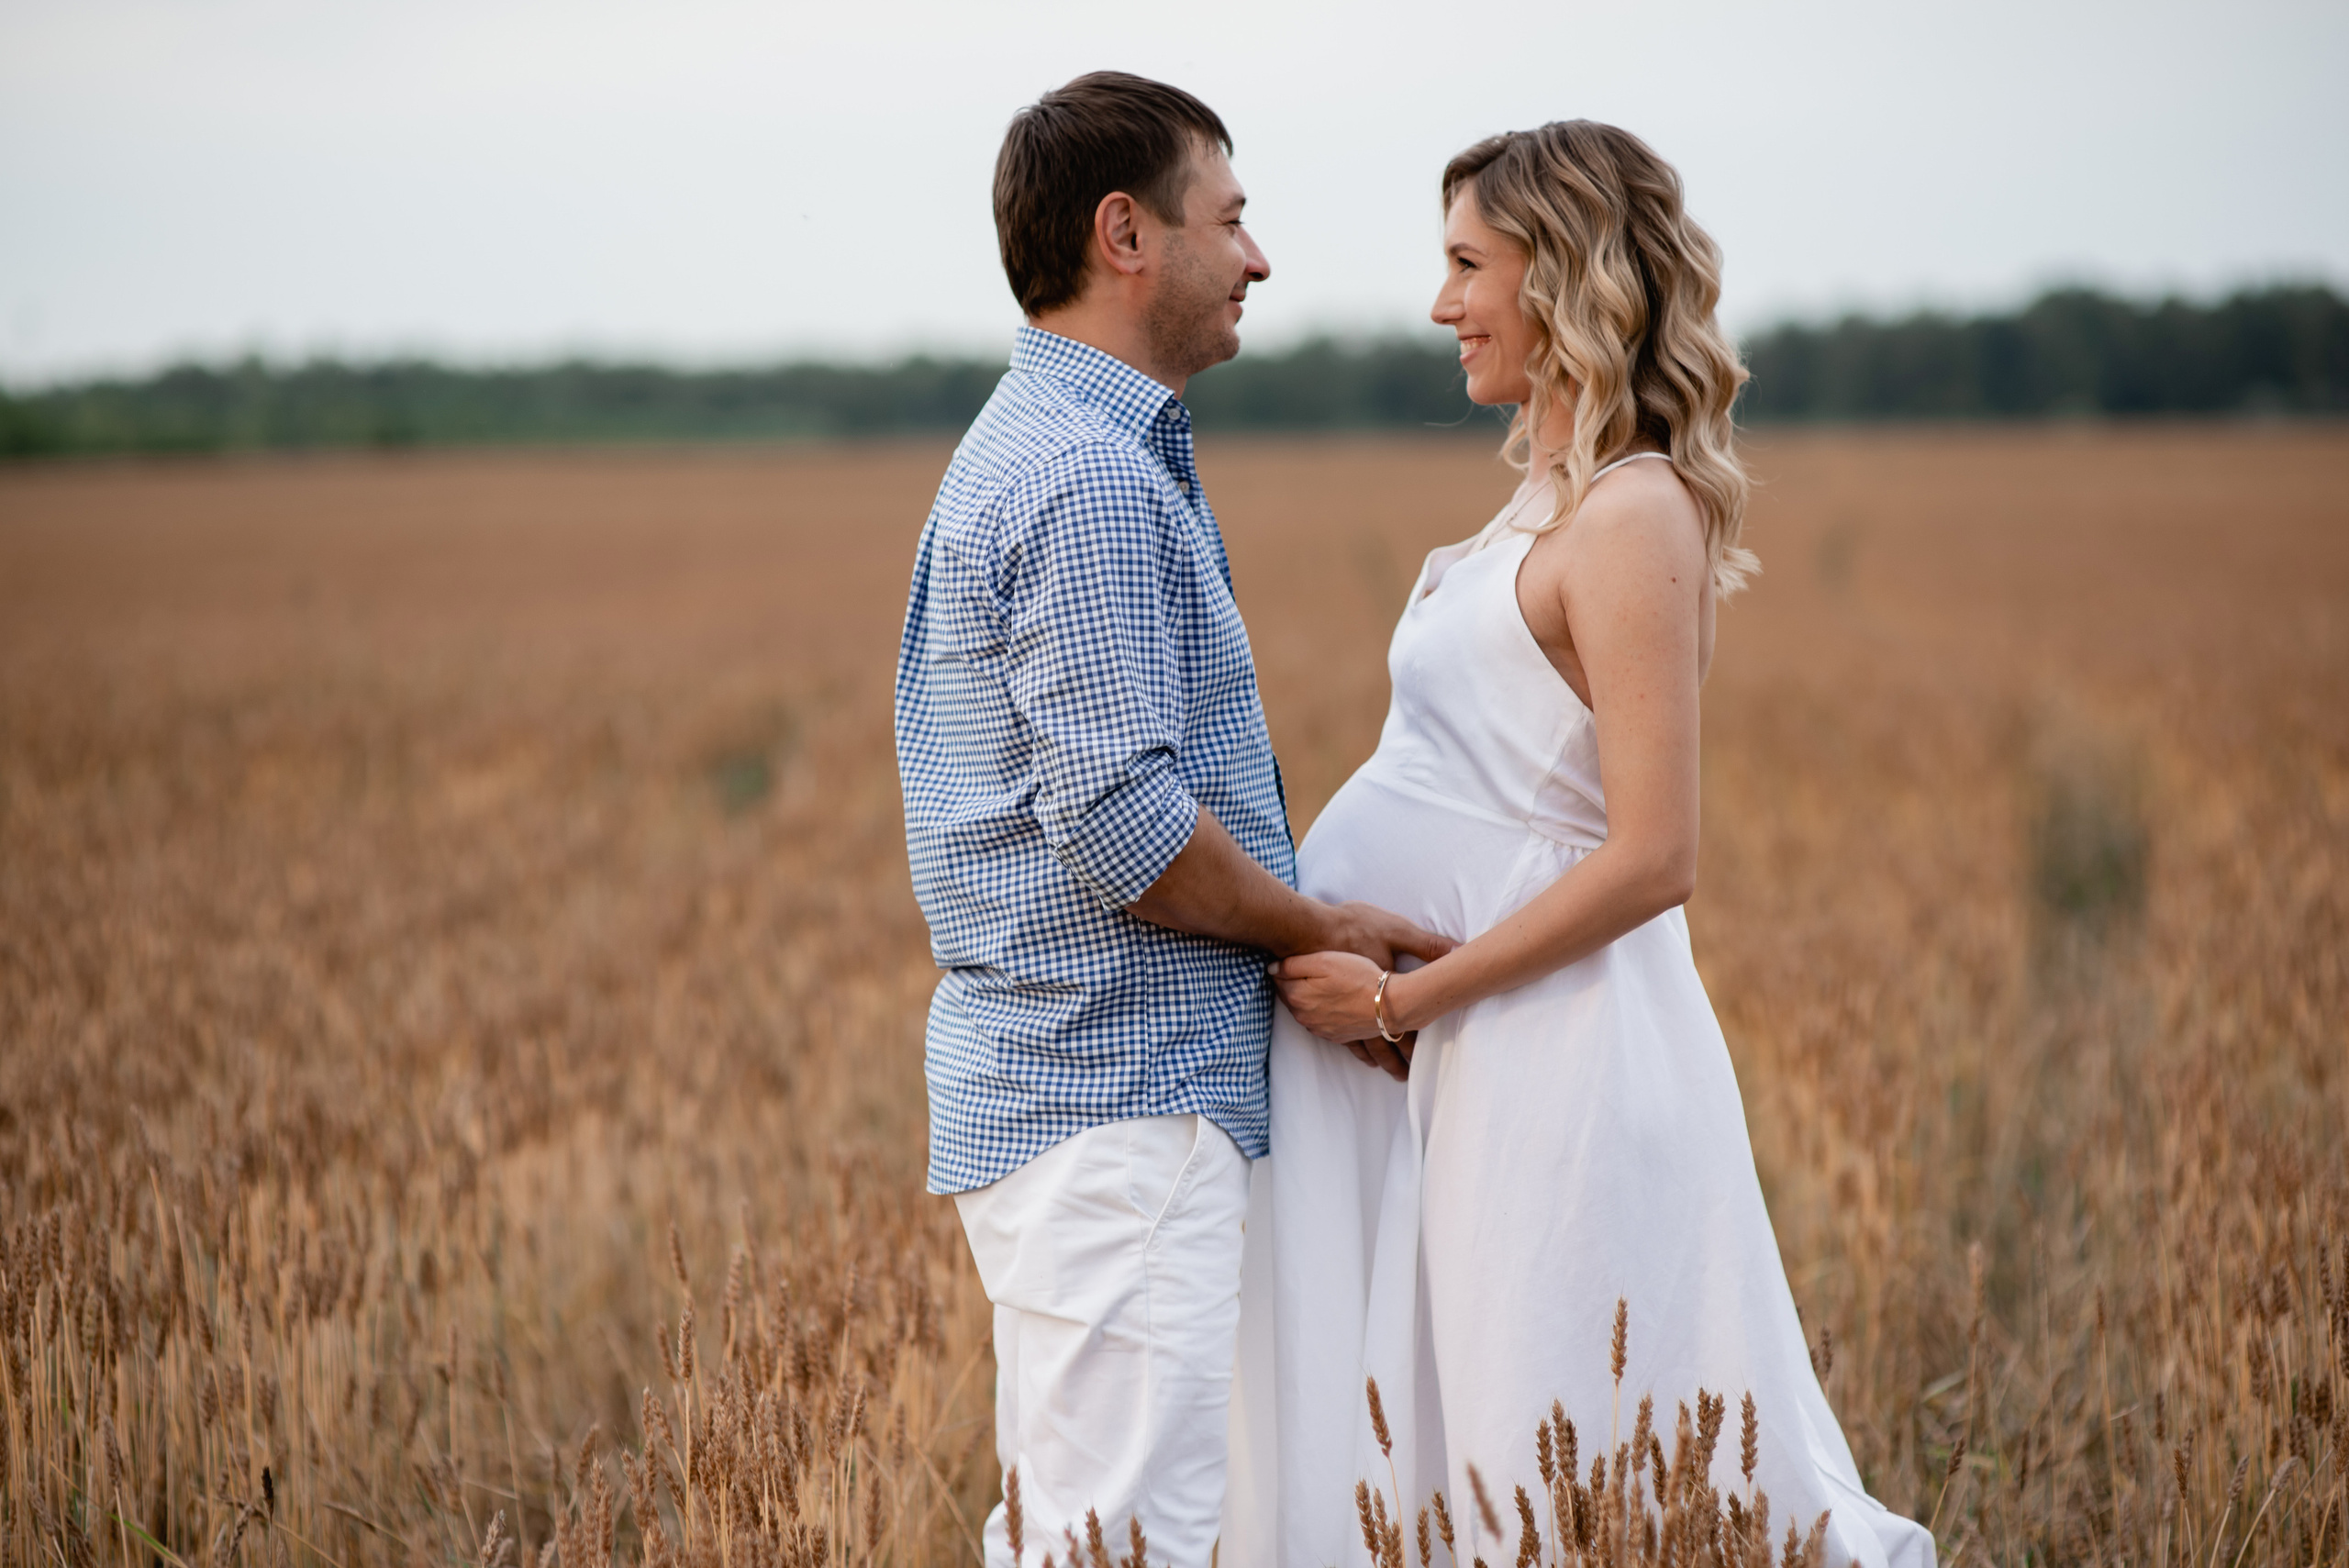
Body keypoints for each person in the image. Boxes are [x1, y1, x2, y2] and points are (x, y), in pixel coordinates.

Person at [1223, 121, 1936, 1568]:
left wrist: (1404, 998)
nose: (1443, 303)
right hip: (1458, 1047)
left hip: (1545, 1051)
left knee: (1554, 1448)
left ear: (1562, 274)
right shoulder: (1540, 504)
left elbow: (1655, 853)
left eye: (1467, 264)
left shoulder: (1633, 513)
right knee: (1456, 1453)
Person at [893, 72, 1451, 1568]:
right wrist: (1319, 929)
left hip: (1085, 1092)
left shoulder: (1058, 445)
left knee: (1093, 1530)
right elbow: (1125, 827)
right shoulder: (1084, 474)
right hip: (1116, 1098)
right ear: (1126, 235)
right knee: (1124, 1540)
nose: (1258, 257)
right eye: (1232, 217)